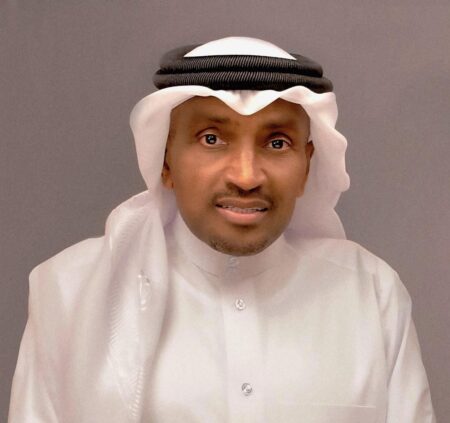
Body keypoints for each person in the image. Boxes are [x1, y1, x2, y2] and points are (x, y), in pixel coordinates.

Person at [8, 37, 436, 422]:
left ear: (307, 166)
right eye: (211, 139)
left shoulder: (371, 293)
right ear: (165, 161)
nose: (246, 176)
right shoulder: (69, 291)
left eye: (277, 142)